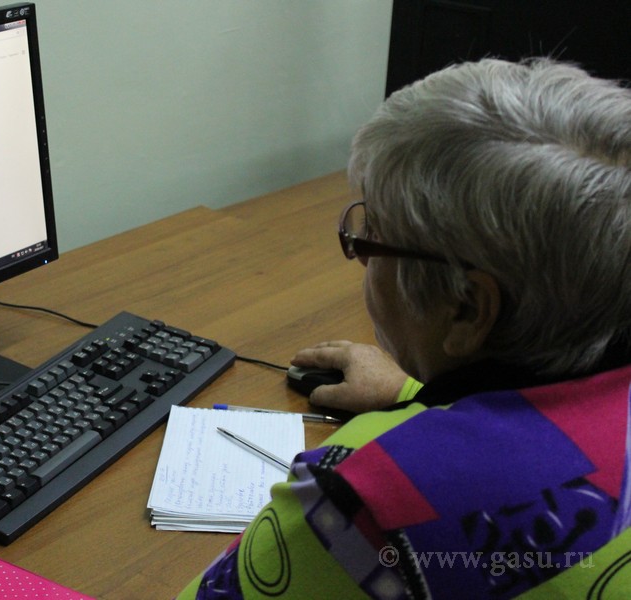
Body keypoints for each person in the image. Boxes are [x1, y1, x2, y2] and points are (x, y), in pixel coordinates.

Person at [177, 58, 631, 599]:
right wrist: (413, 395)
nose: (359, 254)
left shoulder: (366, 505)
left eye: (371, 235)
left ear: (467, 308)